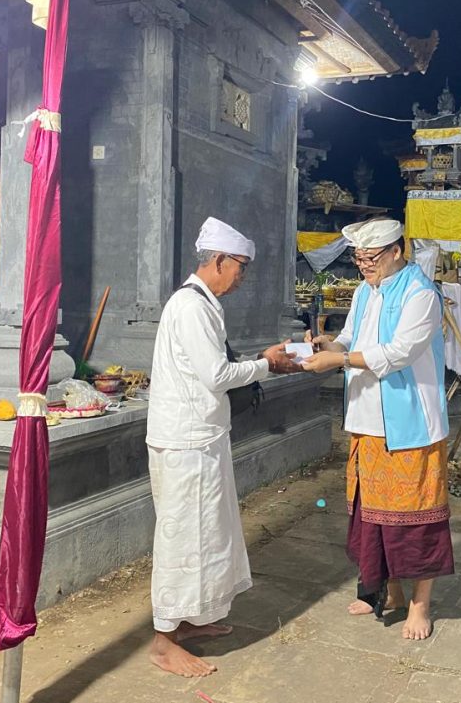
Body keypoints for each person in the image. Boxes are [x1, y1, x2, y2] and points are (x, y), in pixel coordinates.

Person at [146, 216, 299, 677]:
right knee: (182, 540)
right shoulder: (190, 307)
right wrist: (265, 364)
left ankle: (191, 619)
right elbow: (216, 376)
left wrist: (263, 360)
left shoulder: (203, 304)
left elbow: (213, 370)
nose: (242, 276)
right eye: (240, 266)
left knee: (209, 534)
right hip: (186, 441)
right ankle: (162, 641)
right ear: (217, 260)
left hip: (202, 436)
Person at [301, 218, 453, 641]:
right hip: (367, 419)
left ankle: (421, 605)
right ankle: (391, 591)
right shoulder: (367, 290)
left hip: (411, 424)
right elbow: (351, 336)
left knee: (416, 516)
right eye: (358, 258)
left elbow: (399, 352)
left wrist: (340, 362)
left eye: (371, 258)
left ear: (396, 252)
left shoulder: (421, 294)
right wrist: (329, 346)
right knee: (373, 513)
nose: (363, 265)